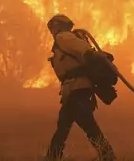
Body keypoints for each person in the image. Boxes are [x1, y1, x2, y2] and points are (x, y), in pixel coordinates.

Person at [44, 14, 116, 161]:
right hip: (73, 90)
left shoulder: (63, 37)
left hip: (78, 89)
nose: (52, 31)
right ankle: (52, 157)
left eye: (52, 27)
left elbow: (82, 48)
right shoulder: (66, 39)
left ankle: (108, 156)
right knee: (63, 126)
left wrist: (91, 54)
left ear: (57, 26)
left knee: (87, 125)